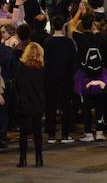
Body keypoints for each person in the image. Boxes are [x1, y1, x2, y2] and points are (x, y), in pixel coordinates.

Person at [43, 16, 78, 144]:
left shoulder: (47, 42)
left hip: (50, 77)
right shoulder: (68, 43)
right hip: (66, 77)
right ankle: (65, 134)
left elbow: (44, 60)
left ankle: (51, 134)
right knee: (65, 106)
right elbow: (74, 61)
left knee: (51, 105)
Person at [14, 42, 46, 167]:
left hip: (24, 103)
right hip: (37, 103)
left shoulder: (21, 67)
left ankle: (23, 159)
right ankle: (39, 158)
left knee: (23, 133)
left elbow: (16, 84)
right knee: (37, 133)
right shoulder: (42, 69)